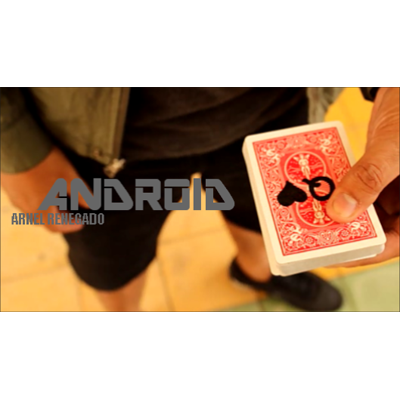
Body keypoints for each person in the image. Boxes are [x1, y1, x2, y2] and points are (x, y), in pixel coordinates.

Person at [1, 88, 398, 312]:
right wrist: (16, 150)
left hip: (277, 110)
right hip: (101, 143)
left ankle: (255, 274)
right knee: (114, 262)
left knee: (265, 227)